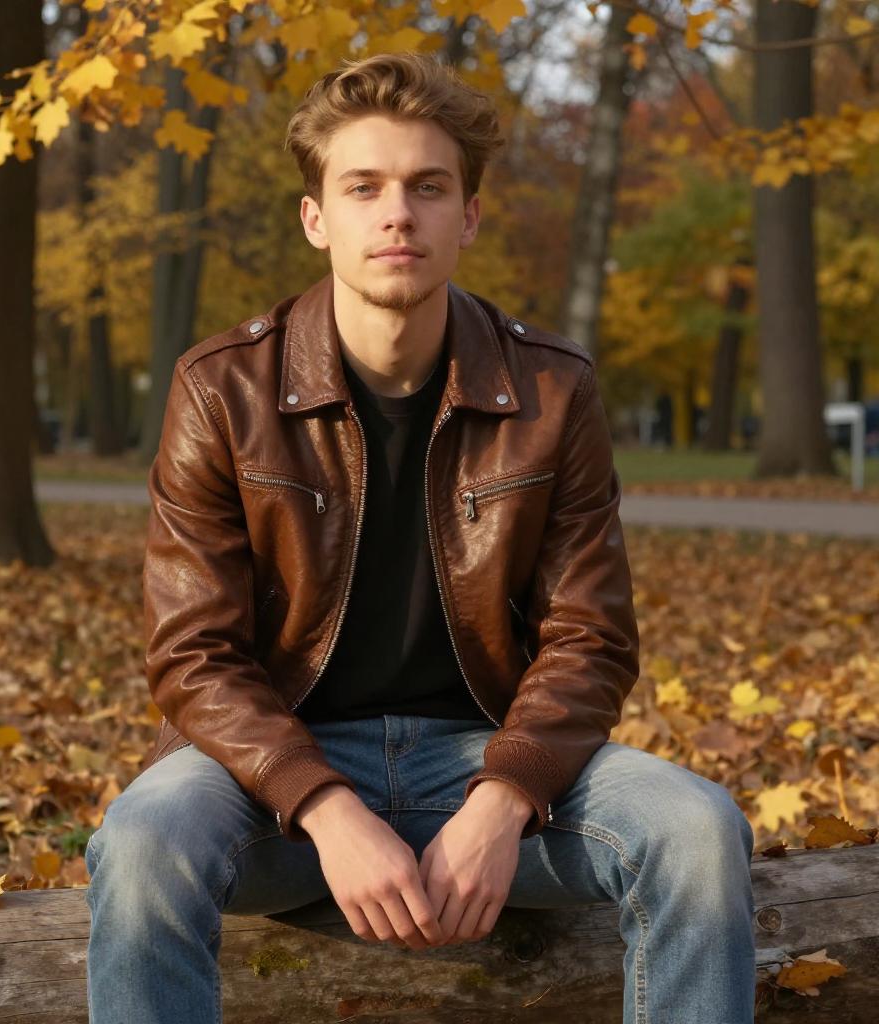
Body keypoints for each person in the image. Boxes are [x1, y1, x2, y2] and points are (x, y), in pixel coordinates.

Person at [84, 51, 757, 1024]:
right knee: (142, 840)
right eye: (363, 187)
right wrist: (325, 806)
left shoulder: (552, 387)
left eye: (427, 187)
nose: (396, 213)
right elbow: (192, 656)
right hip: (271, 774)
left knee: (697, 830)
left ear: (468, 215)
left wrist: (502, 800)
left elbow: (590, 638)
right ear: (316, 217)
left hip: (490, 753)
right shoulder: (221, 387)